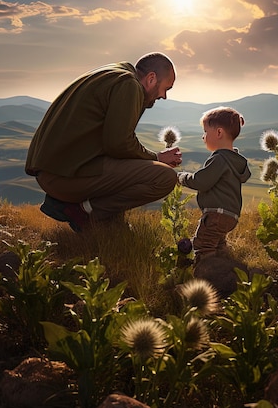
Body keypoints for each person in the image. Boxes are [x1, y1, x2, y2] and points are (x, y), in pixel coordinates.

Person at [25, 52, 182, 232]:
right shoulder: (128, 85)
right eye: (166, 89)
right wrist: (156, 158)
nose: (164, 96)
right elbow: (119, 144)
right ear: (151, 78)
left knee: (131, 164)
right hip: (63, 178)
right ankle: (83, 213)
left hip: (57, 171)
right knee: (164, 178)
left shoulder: (113, 74)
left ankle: (105, 219)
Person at [177, 106, 251, 265]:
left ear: (218, 133)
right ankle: (228, 269)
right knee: (218, 245)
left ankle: (207, 277)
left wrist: (182, 177)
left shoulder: (219, 159)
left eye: (205, 132)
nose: (203, 137)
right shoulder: (235, 161)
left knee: (203, 246)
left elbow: (201, 181)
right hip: (230, 215)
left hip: (215, 215)